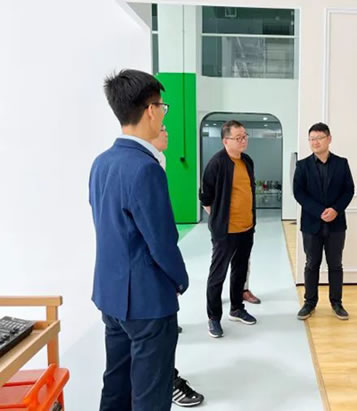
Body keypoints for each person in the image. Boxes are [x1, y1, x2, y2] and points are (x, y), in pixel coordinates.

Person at [89, 69, 188, 410]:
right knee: (150, 396)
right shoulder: (146, 168)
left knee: (116, 386)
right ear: (150, 110)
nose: (163, 114)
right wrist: (180, 279)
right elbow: (162, 240)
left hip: (111, 294)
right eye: (162, 107)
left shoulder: (102, 163)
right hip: (147, 301)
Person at [152, 124, 205, 408]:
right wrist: (177, 278)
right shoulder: (145, 168)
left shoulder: (156, 161)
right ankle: (168, 383)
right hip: (148, 280)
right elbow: (158, 235)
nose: (167, 131)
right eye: (162, 127)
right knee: (158, 341)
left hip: (124, 283)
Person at [199, 120, 257, 338]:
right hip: (225, 232)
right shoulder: (216, 164)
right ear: (225, 141)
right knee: (218, 274)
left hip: (246, 228)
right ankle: (214, 317)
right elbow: (206, 198)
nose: (243, 140)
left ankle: (237, 308)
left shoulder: (247, 161)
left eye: (245, 136)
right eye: (238, 137)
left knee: (240, 270)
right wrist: (219, 219)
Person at [293, 122, 354, 320]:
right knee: (312, 264)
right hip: (311, 223)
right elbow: (299, 193)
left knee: (335, 264)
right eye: (312, 139)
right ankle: (309, 302)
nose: (315, 142)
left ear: (329, 139)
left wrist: (336, 209)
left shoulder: (341, 163)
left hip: (336, 224)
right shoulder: (302, 165)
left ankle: (337, 303)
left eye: (319, 138)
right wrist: (319, 211)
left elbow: (348, 190)